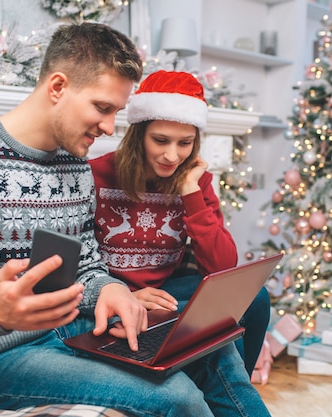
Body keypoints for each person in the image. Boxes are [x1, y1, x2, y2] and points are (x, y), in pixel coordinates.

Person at [0, 23, 270, 417]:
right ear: (58, 87)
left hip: (69, 329)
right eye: (102, 108)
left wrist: (112, 290)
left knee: (210, 351)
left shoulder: (75, 169)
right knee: (177, 398)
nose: (111, 127)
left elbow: (89, 267)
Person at [89, 70, 271, 375]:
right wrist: (123, 294)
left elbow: (222, 269)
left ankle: (241, 387)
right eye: (160, 140)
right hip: (113, 294)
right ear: (138, 136)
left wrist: (190, 191)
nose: (172, 156)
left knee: (254, 298)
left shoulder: (197, 182)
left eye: (184, 143)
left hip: (166, 290)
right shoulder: (96, 174)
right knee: (222, 335)